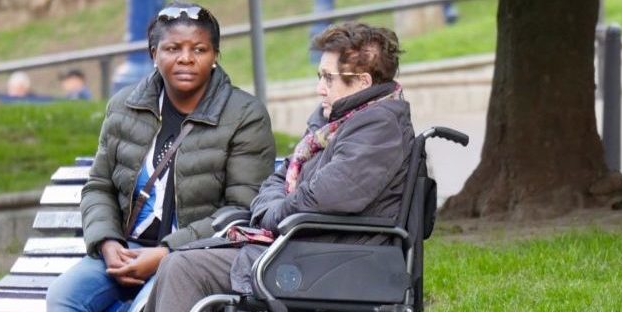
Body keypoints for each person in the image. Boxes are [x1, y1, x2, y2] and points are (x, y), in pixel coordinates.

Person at [145, 21, 413, 312]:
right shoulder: (334, 123)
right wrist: (271, 210)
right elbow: (278, 179)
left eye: (328, 78)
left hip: (333, 260)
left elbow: (325, 196)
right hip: (305, 247)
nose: (319, 88)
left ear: (362, 82)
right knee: (180, 262)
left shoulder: (379, 128)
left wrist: (272, 215)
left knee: (183, 267)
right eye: (318, 76)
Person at [45, 3, 276, 311]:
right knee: (63, 297)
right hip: (126, 250)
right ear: (154, 54)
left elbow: (242, 210)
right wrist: (108, 243)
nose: (186, 58)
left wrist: (166, 251)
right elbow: (99, 186)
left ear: (215, 56)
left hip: (190, 257)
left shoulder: (244, 115)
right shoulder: (125, 107)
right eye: (172, 48)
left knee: (144, 306)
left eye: (199, 49)